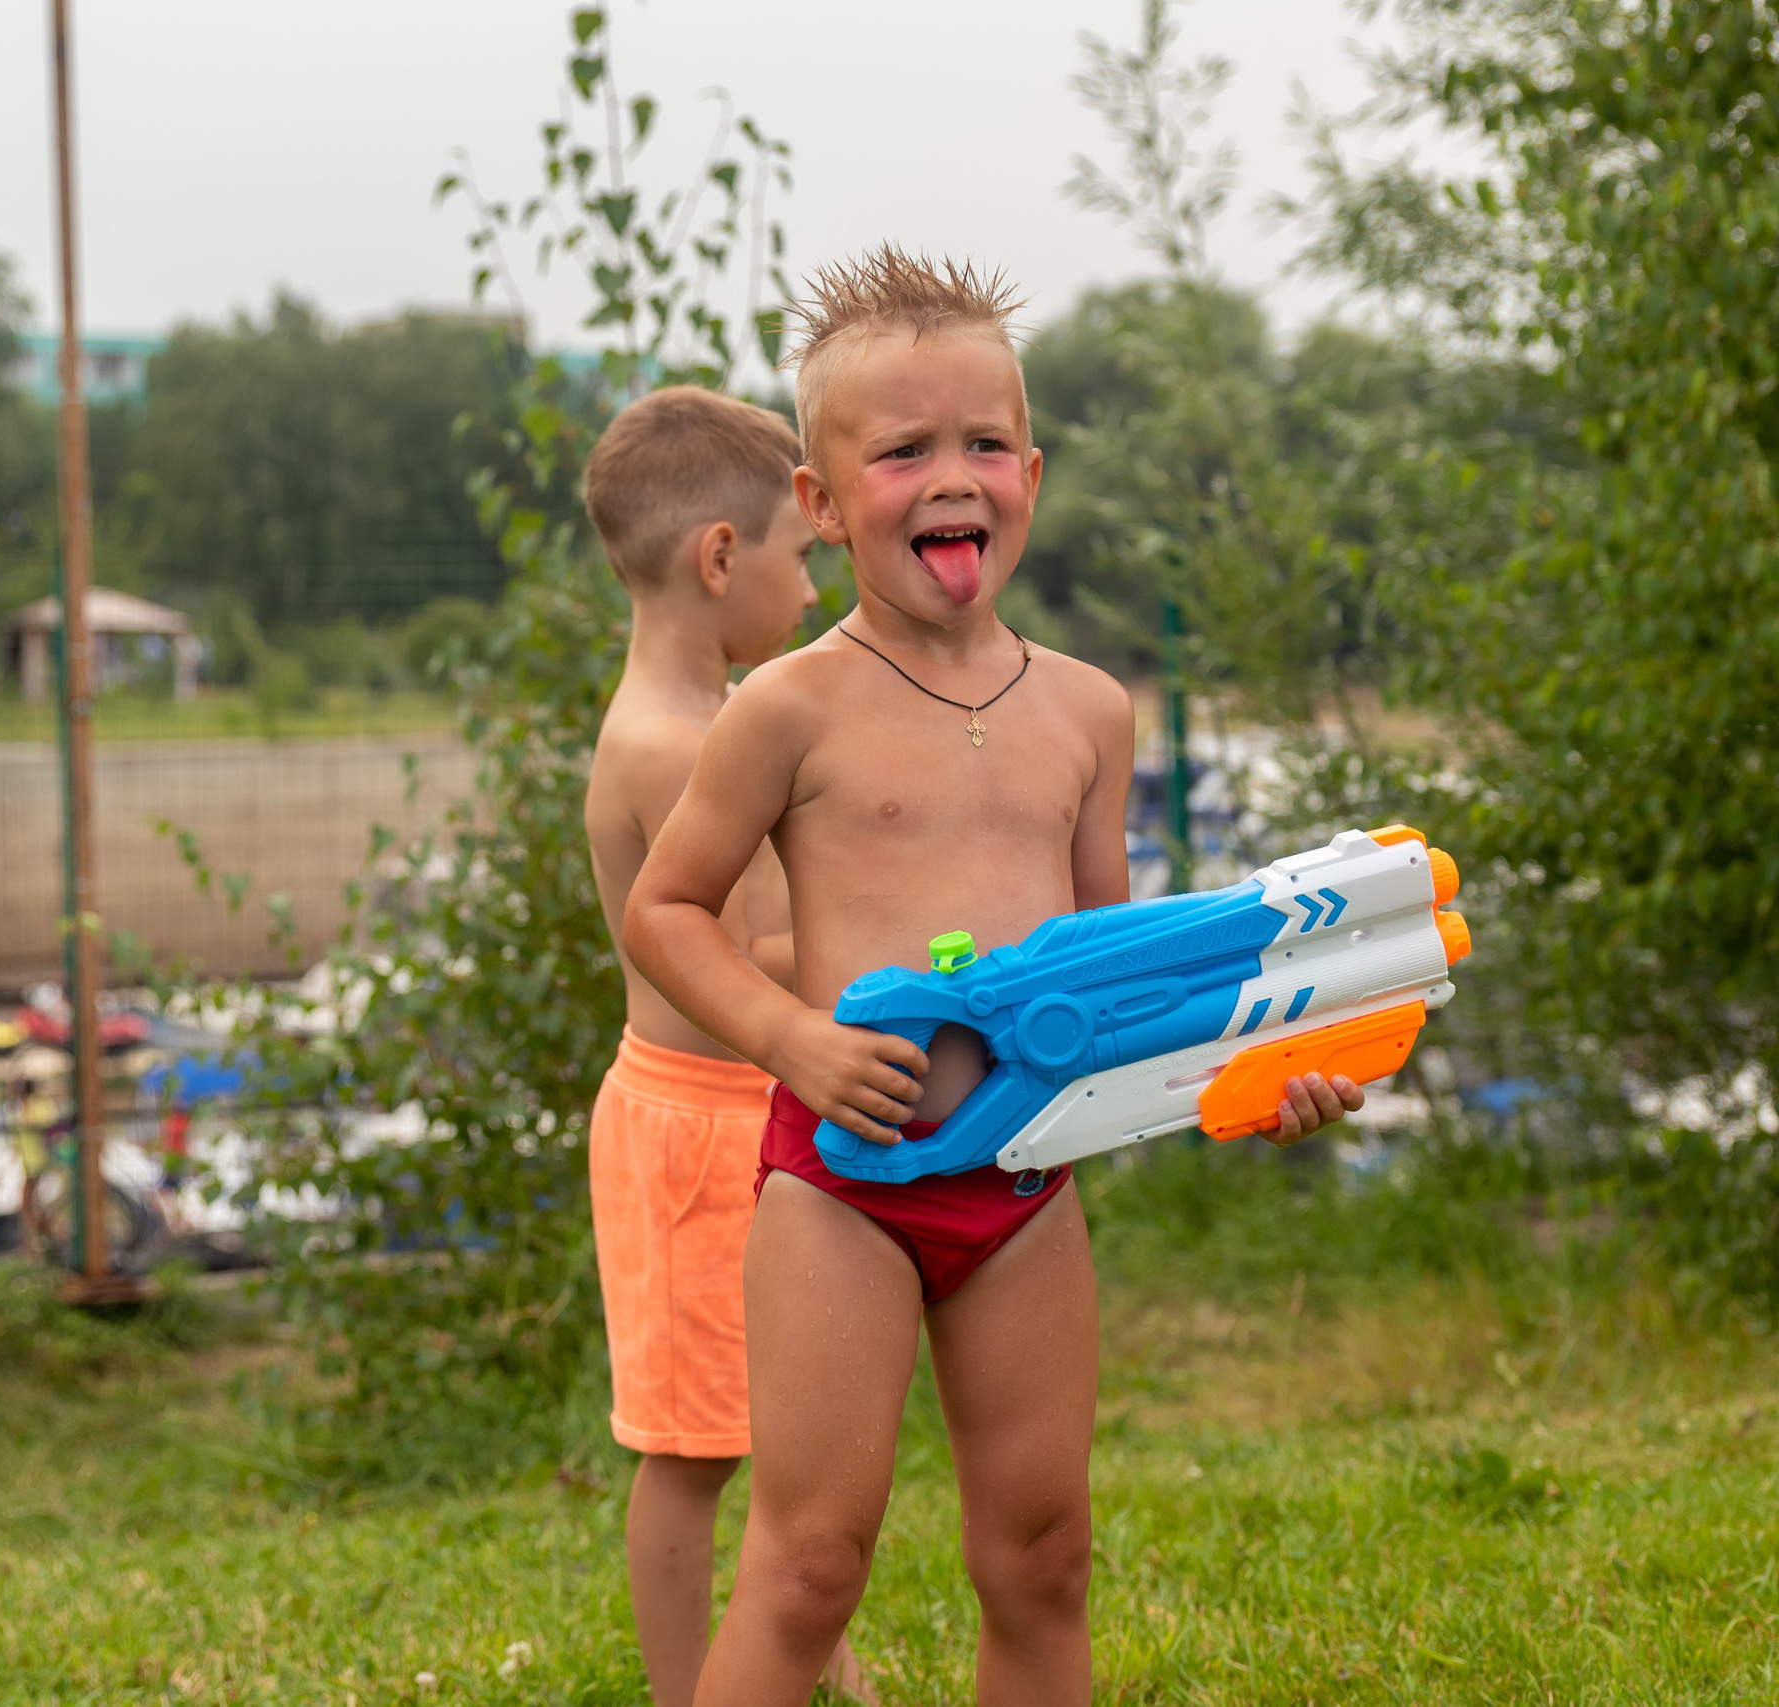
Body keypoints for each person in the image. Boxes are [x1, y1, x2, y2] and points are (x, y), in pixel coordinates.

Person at [621, 246, 1365, 1706]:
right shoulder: (785, 706)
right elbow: (666, 909)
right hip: (843, 1182)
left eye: (982, 444)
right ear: (820, 504)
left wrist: (1257, 1079)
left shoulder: (1088, 709)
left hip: (1028, 1182)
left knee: (1042, 1555)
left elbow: (1119, 977)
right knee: (809, 1563)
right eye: (903, 451)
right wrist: (790, 1039)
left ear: (1030, 472)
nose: (949, 477)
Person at [579, 385, 867, 1705]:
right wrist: (900, 950)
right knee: (693, 1447)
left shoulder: (720, 715)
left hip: (752, 1104)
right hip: (694, 1130)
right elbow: (741, 956)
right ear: (717, 557)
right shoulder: (670, 744)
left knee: (789, 1431)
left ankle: (819, 1673)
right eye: (799, 555)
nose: (810, 589)